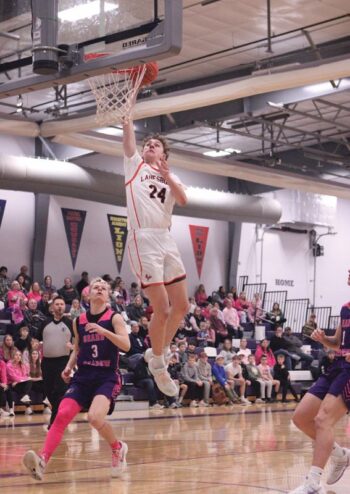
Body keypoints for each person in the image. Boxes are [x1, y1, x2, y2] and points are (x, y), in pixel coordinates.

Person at [23, 277, 130, 481]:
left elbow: (126, 346)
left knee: (94, 418)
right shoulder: (78, 320)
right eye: (95, 287)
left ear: (107, 295)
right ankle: (42, 460)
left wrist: (104, 331)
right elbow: (78, 348)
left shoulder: (114, 318)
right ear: (87, 295)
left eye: (103, 288)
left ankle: (117, 448)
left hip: (107, 376)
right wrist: (69, 366)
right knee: (62, 414)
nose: (99, 290)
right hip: (83, 376)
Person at [123, 114, 188, 397]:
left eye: (155, 145)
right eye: (147, 143)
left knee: (182, 306)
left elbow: (184, 200)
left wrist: (167, 176)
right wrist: (127, 119)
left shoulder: (171, 177)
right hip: (143, 237)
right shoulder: (134, 165)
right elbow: (128, 142)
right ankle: (159, 365)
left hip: (166, 238)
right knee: (161, 308)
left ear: (164, 154)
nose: (150, 146)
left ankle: (156, 352)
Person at [289, 269, 350, 494]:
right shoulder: (345, 308)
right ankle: (340, 455)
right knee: (301, 417)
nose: (349, 273)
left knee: (323, 420)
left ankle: (313, 483)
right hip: (338, 366)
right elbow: (338, 343)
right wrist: (323, 339)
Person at [36, 296, 74, 427]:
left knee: (59, 391)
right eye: (57, 304)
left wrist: (73, 347)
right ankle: (58, 414)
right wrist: (37, 344)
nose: (59, 306)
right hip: (47, 363)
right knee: (48, 391)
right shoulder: (45, 323)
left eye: (62, 304)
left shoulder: (70, 323)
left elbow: (78, 344)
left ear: (65, 306)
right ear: (52, 307)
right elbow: (36, 340)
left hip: (63, 362)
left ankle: (55, 422)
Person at [6, 349, 33, 415]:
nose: (18, 357)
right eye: (16, 355)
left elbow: (26, 376)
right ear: (13, 356)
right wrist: (19, 380)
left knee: (29, 381)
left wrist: (18, 381)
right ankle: (28, 407)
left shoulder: (22, 365)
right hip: (11, 384)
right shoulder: (9, 365)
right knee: (26, 384)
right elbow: (13, 377)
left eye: (20, 355)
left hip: (18, 384)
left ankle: (25, 397)